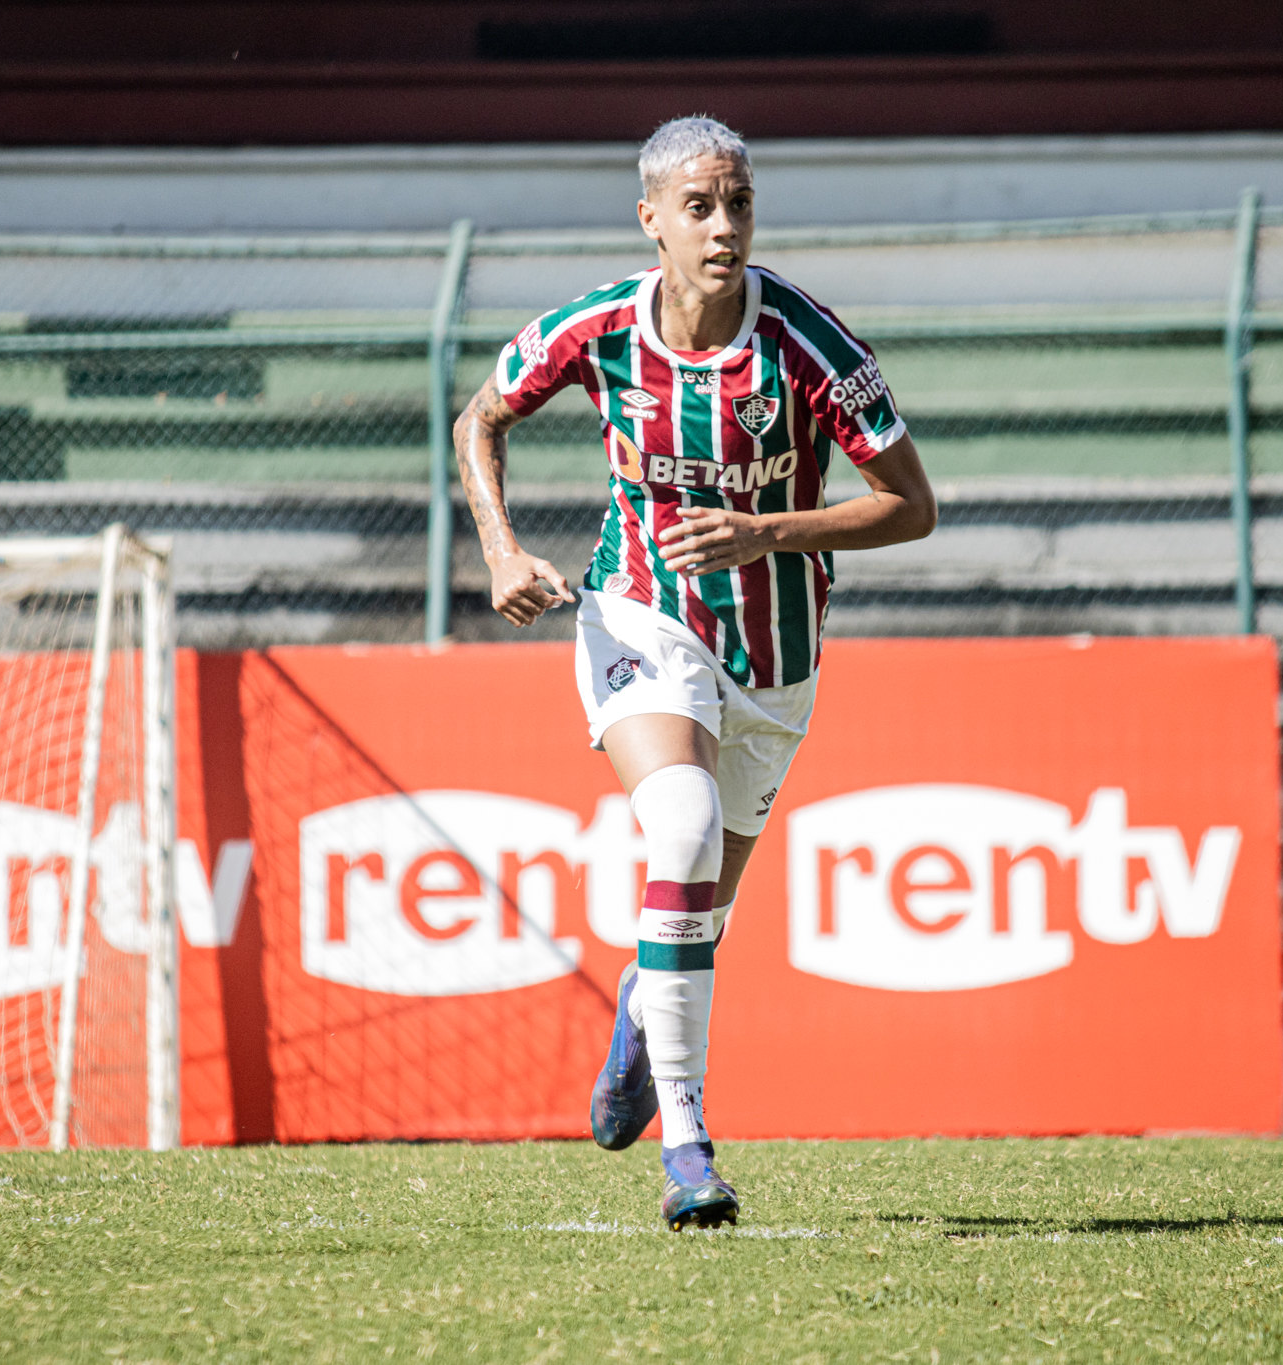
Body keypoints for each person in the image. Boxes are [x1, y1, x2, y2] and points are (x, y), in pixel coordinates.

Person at [452, 115, 936, 1230]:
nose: (723, 227)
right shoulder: (595, 331)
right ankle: (688, 1148)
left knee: (696, 915)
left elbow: (912, 507)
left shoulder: (811, 348)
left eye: (738, 205)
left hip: (775, 656)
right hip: (637, 612)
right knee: (675, 827)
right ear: (651, 220)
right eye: (699, 207)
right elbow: (481, 419)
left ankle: (641, 1005)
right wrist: (498, 548)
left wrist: (769, 533)